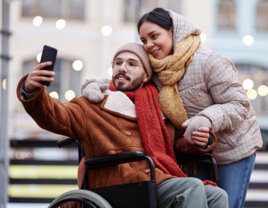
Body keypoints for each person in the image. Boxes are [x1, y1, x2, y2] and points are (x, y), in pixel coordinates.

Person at [17, 42, 228, 208]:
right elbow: (54, 115)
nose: (122, 68)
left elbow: (175, 144)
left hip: (155, 180)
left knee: (217, 195)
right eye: (117, 63)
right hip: (117, 183)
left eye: (131, 64)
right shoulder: (92, 104)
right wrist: (31, 90)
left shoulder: (157, 108)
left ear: (146, 75)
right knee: (190, 188)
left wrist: (198, 140)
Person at [136, 8, 263, 208]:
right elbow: (125, 72)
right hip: (194, 152)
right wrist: (98, 86)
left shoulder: (210, 61)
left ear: (173, 31)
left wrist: (206, 120)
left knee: (227, 204)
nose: (149, 45)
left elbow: (240, 105)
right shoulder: (154, 70)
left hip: (232, 149)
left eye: (154, 36)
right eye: (143, 40)